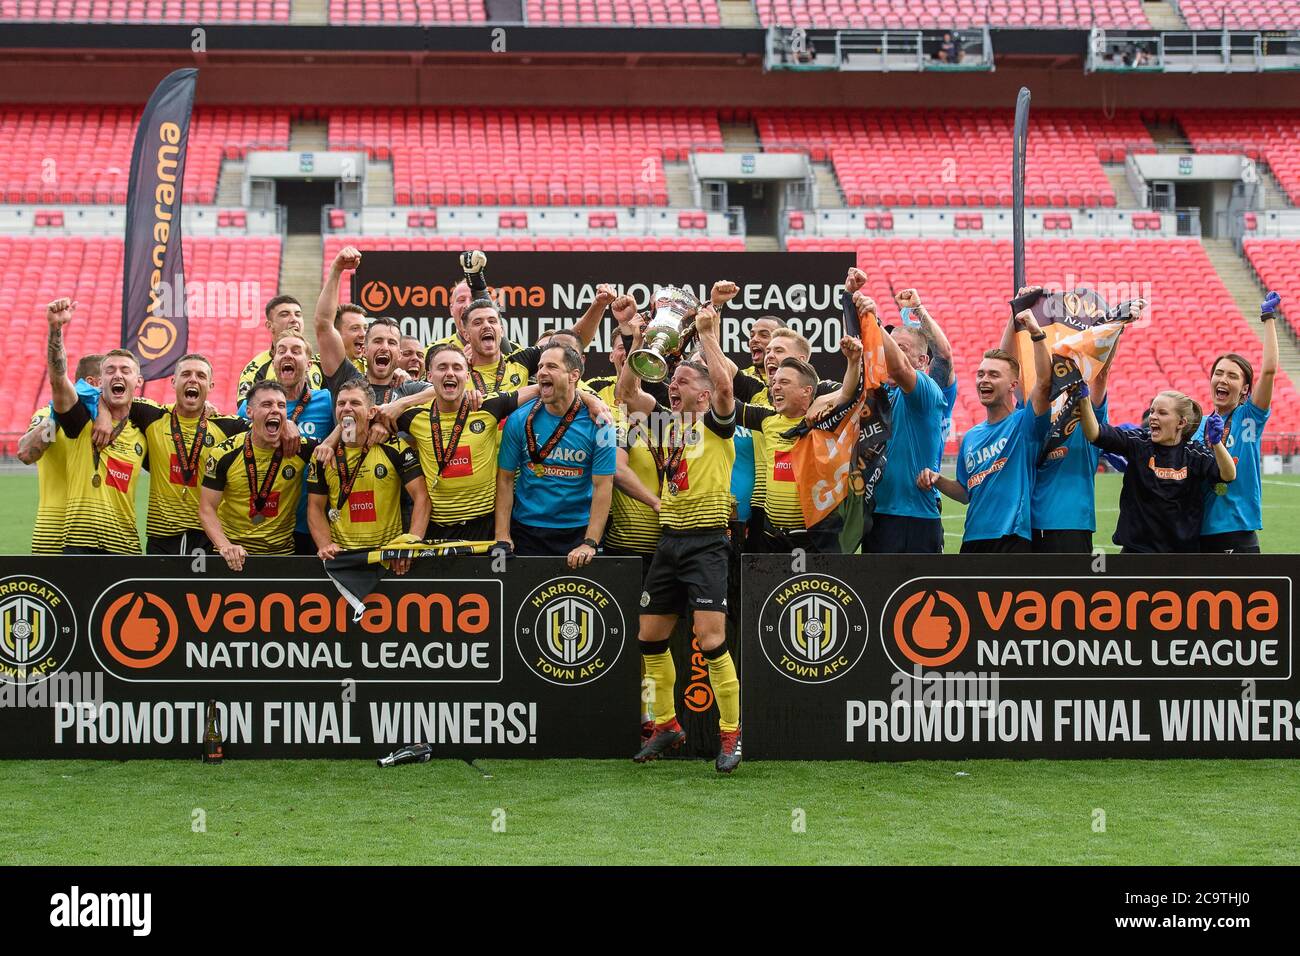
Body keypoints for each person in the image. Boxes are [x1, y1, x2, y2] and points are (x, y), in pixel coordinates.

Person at [619, 303, 743, 773]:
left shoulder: (718, 424)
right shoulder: (662, 424)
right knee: (649, 637)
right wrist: (638, 339)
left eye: (683, 382)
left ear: (706, 394)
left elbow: (727, 385)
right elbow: (627, 390)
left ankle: (731, 734)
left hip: (708, 541)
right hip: (669, 541)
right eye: (671, 382)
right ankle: (666, 725)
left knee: (710, 639)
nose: (672, 387)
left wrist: (708, 332)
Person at [917, 309, 1053, 553]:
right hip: (972, 540)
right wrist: (937, 480)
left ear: (1013, 385)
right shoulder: (971, 437)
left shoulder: (1025, 424)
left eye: (993, 374)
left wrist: (1035, 333)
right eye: (980, 374)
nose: (983, 380)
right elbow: (964, 492)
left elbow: (1044, 383)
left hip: (1011, 538)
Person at [121, 353, 261, 555]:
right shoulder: (151, 415)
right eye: (186, 374)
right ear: (173, 381)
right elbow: (109, 397)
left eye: (201, 376)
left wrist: (289, 425)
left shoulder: (227, 426)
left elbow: (266, 427)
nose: (193, 379)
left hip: (208, 537)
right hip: (161, 536)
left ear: (211, 386)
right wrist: (104, 417)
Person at [848, 275, 948, 554]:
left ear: (922, 361)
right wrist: (851, 298)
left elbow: (903, 368)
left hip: (915, 518)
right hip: (877, 515)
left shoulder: (925, 392)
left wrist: (874, 320)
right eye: (889, 347)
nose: (889, 355)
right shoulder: (879, 396)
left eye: (900, 349)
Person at [494, 342, 616, 563]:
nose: (541, 372)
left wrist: (590, 542)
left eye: (551, 366)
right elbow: (505, 479)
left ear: (573, 375)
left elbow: (603, 486)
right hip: (526, 531)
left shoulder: (601, 424)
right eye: (540, 366)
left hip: (577, 531)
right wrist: (502, 535)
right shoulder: (519, 419)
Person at [44, 300, 148, 554]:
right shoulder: (81, 419)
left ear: (139, 381)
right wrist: (56, 329)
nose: (117, 375)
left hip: (125, 547)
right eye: (110, 370)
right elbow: (59, 381)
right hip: (80, 544)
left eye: (125, 370)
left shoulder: (145, 430)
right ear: (99, 381)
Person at [739, 345, 862, 553]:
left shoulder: (823, 418)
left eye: (784, 382)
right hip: (773, 536)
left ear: (807, 391)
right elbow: (724, 398)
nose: (775, 387)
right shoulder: (767, 419)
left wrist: (853, 361)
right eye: (774, 382)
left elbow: (847, 393)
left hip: (814, 537)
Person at [1080, 389, 1235, 553]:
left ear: (1181, 423)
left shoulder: (1194, 453)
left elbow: (1228, 475)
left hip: (1181, 557)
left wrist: (1216, 443)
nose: (1153, 416)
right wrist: (1084, 399)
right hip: (1135, 553)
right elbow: (1094, 433)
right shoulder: (1139, 442)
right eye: (1152, 411)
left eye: (1162, 413)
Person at [1194, 291, 1280, 553]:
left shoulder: (1250, 416)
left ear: (1245, 390)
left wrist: (1268, 318)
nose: (1223, 379)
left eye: (1232, 376)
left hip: (1237, 532)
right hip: (1197, 530)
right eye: (1218, 373)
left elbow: (1268, 370)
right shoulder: (1196, 424)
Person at [307, 381, 430, 564]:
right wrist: (326, 545)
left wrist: (411, 542)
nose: (347, 408)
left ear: (371, 412)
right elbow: (315, 507)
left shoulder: (394, 447)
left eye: (355, 403)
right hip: (343, 558)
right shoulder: (324, 455)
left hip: (388, 557)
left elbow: (421, 496)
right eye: (341, 404)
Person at [201, 381, 319, 567]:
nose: (275, 410)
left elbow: (339, 448)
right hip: (231, 555)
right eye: (266, 404)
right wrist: (225, 546)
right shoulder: (224, 453)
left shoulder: (300, 449)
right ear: (249, 412)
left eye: (281, 405)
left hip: (282, 555)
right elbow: (206, 508)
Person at [237, 330, 335, 553]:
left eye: (296, 351)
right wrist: (284, 422)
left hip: (312, 521)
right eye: (281, 351)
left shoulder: (327, 400)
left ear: (309, 364)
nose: (288, 355)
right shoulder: (250, 408)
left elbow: (352, 422)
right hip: (268, 521)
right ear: (274, 363)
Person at [19, 353, 102, 554]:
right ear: (92, 382)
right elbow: (26, 453)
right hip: (53, 531)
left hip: (102, 533)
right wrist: (59, 415)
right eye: (110, 374)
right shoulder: (46, 416)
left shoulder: (110, 421)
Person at [315, 247, 406, 404]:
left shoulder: (408, 387)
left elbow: (443, 392)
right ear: (365, 349)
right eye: (377, 341)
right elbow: (323, 324)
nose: (384, 346)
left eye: (391, 342)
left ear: (400, 353)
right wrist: (336, 269)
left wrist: (401, 404)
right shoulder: (348, 379)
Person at [236, 295, 324, 401]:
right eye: (284, 315)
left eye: (298, 314)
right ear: (269, 325)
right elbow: (245, 408)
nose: (294, 319)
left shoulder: (322, 363)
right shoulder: (255, 369)